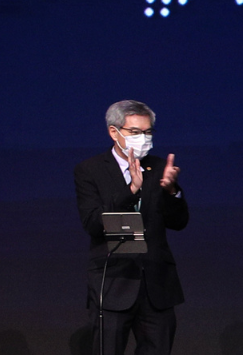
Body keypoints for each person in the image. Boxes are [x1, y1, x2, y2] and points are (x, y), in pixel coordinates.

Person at [74, 100, 186, 355]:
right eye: (135, 132)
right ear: (114, 132)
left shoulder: (158, 168)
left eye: (148, 132)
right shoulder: (90, 170)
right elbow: (93, 224)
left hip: (156, 287)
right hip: (114, 283)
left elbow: (179, 222)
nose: (143, 138)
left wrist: (171, 191)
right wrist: (131, 190)